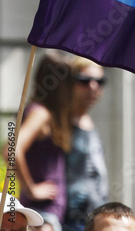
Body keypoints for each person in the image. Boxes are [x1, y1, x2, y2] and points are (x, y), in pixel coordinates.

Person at [14, 53, 73, 231]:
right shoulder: (40, 113)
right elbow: (12, 149)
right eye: (70, 79)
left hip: (48, 214)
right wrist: (31, 188)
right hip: (42, 214)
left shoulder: (50, 114)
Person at [63, 58, 108, 231]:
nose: (93, 87)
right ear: (70, 83)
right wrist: (32, 188)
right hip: (69, 219)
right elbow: (13, 150)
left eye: (100, 81)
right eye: (84, 81)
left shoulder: (88, 120)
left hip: (94, 216)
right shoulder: (59, 120)